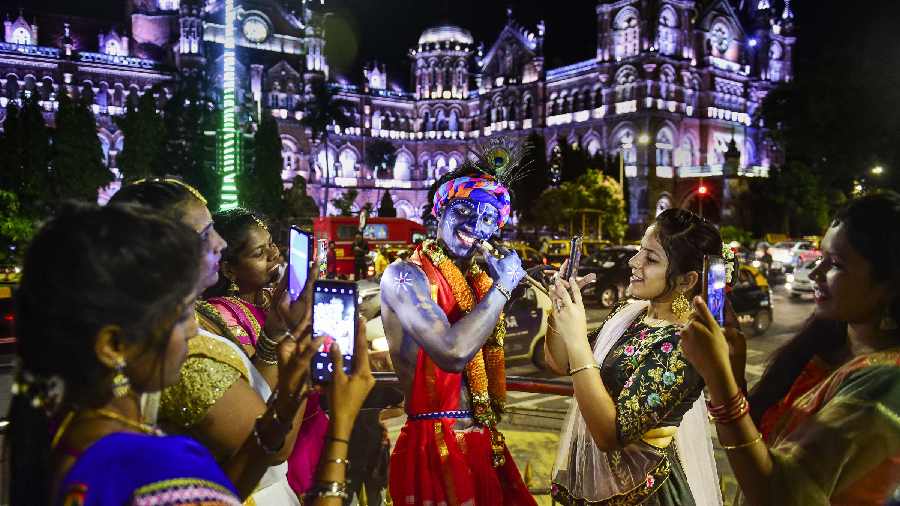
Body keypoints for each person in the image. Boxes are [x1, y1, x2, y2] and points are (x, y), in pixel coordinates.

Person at [6, 203, 313, 505]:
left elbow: (225, 490)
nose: (193, 332)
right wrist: (341, 436)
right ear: (113, 345)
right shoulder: (157, 467)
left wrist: (283, 407)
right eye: (179, 316)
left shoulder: (68, 433)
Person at [679, 192, 900, 506]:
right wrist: (733, 374)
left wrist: (719, 380)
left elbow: (780, 494)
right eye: (821, 257)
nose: (814, 273)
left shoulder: (887, 382)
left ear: (888, 285)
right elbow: (760, 442)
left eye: (835, 264)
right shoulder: (826, 349)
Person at [107, 180, 312, 503]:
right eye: (205, 236)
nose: (219, 243)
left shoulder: (178, 333)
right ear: (163, 252)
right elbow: (275, 448)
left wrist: (274, 332)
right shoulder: (184, 355)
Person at [380, 138, 536, 505]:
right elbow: (452, 353)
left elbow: (552, 359)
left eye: (487, 219)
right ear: (440, 211)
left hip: (484, 441)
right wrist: (502, 288)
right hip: (434, 446)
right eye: (465, 210)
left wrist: (564, 306)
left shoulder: (479, 282)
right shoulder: (404, 275)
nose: (476, 226)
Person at [546, 208, 724, 505]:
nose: (634, 262)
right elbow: (561, 363)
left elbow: (608, 435)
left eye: (651, 259)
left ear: (685, 280)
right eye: (640, 250)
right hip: (593, 483)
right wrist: (559, 307)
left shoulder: (687, 344)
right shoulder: (629, 314)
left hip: (643, 494)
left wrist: (576, 336)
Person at [203, 208, 330, 497]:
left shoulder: (270, 298)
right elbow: (260, 389)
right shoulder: (222, 315)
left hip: (308, 430)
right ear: (229, 270)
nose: (274, 255)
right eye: (260, 253)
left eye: (272, 244)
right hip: (279, 451)